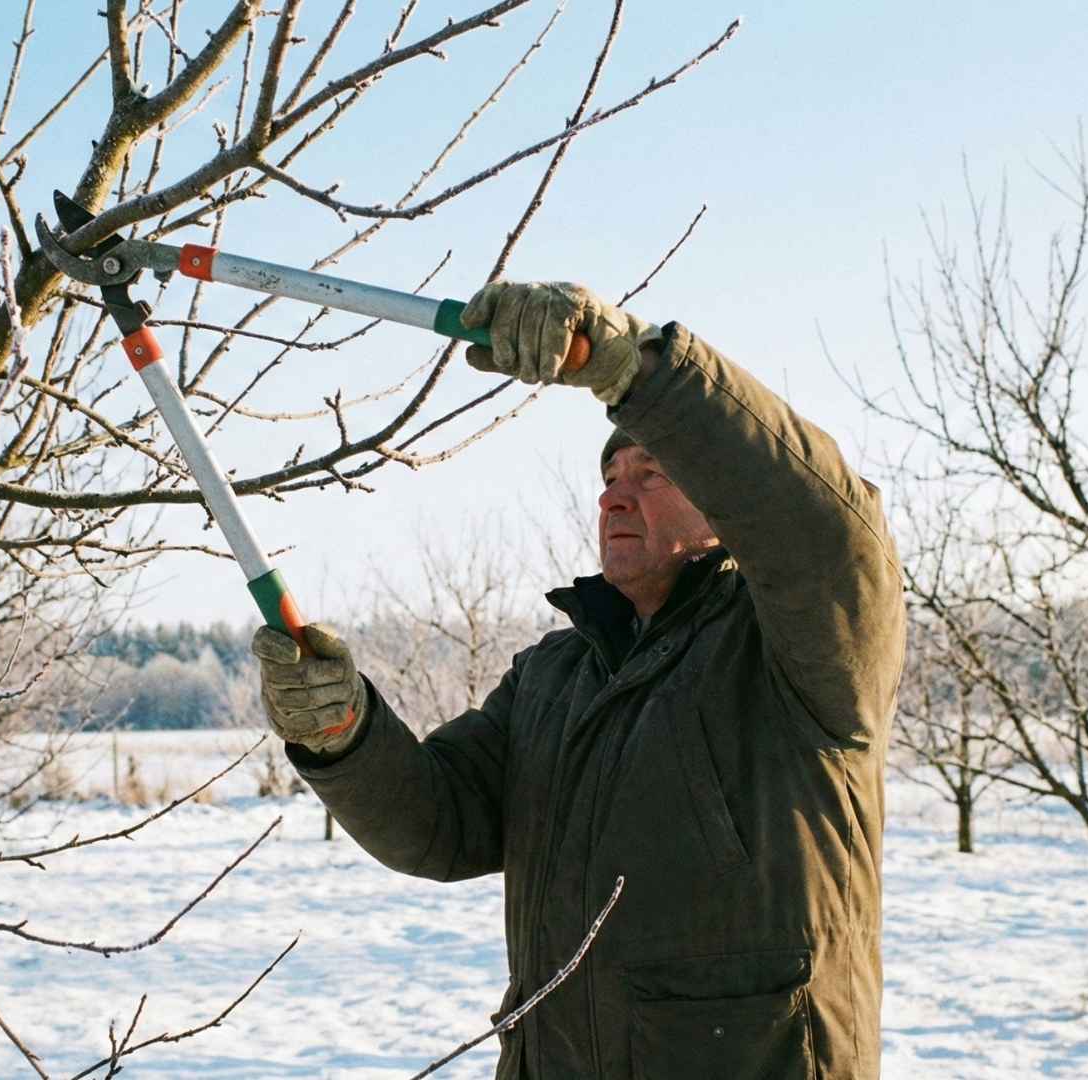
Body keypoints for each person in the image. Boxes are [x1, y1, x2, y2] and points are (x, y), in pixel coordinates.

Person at [250, 282, 904, 1079]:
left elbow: (825, 529)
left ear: (722, 504)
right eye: (609, 474)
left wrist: (642, 371)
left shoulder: (800, 650)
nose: (615, 492)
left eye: (653, 472)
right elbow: (441, 822)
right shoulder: (554, 675)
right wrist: (343, 735)